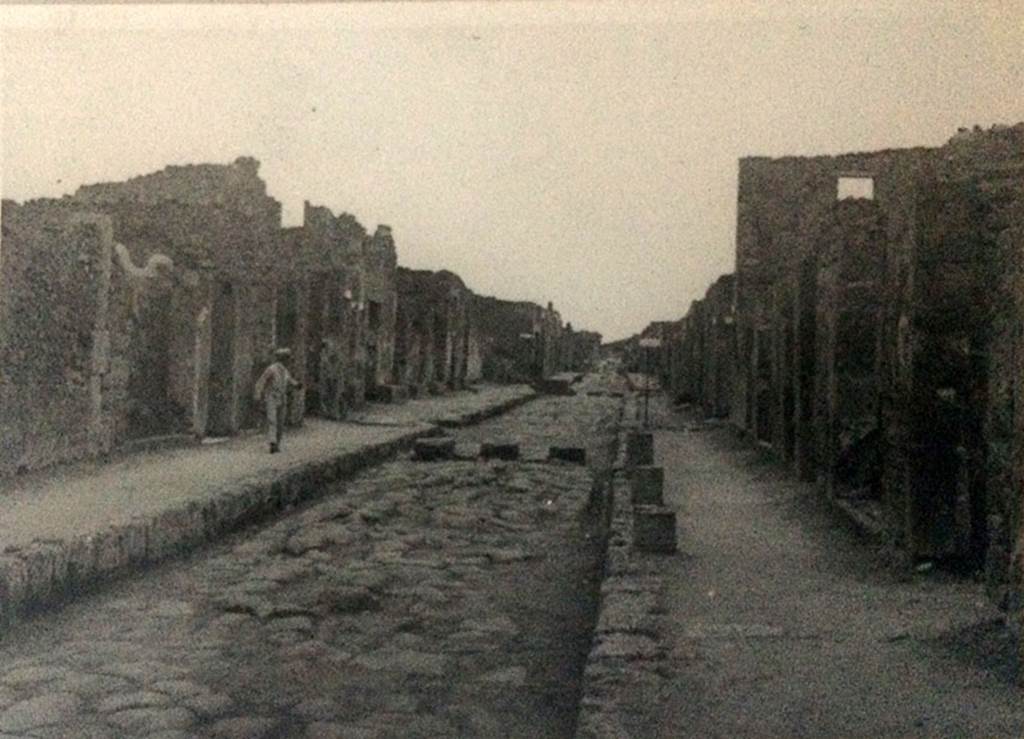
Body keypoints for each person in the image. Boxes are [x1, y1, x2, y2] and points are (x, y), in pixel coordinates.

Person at [254, 348, 302, 453]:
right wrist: (257, 396)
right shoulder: (271, 369)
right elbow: (261, 382)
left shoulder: (285, 371)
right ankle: (272, 443)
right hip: (271, 396)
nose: (288, 361)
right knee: (272, 420)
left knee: (280, 421)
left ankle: (277, 444)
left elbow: (289, 380)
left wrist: (297, 385)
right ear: (282, 359)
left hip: (282, 397)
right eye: (286, 358)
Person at [318, 337, 344, 420]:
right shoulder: (323, 354)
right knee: (325, 395)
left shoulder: (333, 355)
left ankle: (335, 414)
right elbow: (323, 366)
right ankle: (327, 413)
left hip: (334, 377)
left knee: (335, 396)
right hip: (325, 377)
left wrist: (333, 375)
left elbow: (336, 366)